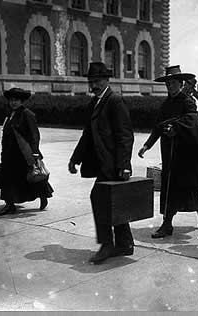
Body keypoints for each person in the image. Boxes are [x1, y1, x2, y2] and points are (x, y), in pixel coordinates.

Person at [69, 62, 135, 264]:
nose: (94, 85)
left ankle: (107, 244)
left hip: (114, 164)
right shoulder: (94, 103)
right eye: (91, 82)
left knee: (100, 199)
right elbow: (87, 135)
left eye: (97, 81)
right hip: (103, 164)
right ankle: (125, 244)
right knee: (114, 201)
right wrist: (75, 158)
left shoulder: (114, 101)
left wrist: (124, 165)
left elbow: (125, 136)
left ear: (107, 80)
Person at [138, 65, 198, 238]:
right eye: (168, 83)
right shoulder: (165, 104)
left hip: (185, 152)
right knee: (169, 187)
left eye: (173, 83)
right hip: (168, 151)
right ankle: (167, 224)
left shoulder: (187, 101)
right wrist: (147, 145)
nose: (170, 86)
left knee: (188, 189)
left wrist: (177, 128)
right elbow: (158, 126)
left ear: (180, 83)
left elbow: (193, 120)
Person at [0, 87, 53, 216]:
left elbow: (35, 135)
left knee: (32, 177)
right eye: (11, 100)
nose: (13, 103)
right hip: (9, 154)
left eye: (16, 100)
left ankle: (43, 196)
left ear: (22, 101)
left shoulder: (27, 114)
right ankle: (10, 204)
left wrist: (35, 153)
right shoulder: (9, 114)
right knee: (9, 179)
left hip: (24, 154)